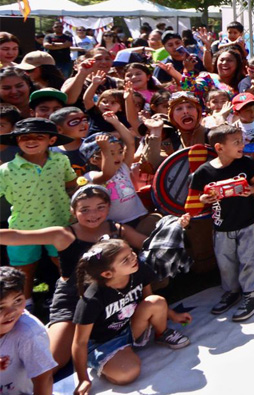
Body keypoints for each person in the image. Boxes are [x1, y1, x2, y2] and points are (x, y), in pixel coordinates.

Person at [0, 185, 152, 371]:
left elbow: (148, 244)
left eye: (100, 207)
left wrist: (173, 230)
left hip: (108, 300)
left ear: (109, 206)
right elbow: (17, 236)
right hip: (73, 300)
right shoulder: (64, 234)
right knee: (52, 362)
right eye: (85, 209)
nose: (93, 214)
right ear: (73, 211)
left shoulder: (117, 230)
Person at [71, 239, 191, 393]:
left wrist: (173, 315)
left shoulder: (138, 269)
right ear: (108, 273)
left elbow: (148, 298)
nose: (134, 257)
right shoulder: (92, 300)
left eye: (131, 252)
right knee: (127, 374)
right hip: (103, 344)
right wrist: (83, 379)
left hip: (128, 328)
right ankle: (114, 359)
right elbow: (79, 342)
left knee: (156, 302)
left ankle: (161, 333)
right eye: (125, 259)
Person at [185, 123, 254, 322]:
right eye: (236, 142)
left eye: (241, 140)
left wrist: (251, 191)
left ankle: (252, 294)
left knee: (249, 259)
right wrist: (205, 199)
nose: (242, 144)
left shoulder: (246, 164)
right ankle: (232, 291)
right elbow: (198, 198)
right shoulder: (204, 171)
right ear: (219, 148)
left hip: (247, 222)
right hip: (220, 225)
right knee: (225, 262)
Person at [0, 118, 78, 301]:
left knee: (64, 264)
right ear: (17, 141)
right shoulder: (6, 170)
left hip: (60, 223)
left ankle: (72, 300)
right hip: (22, 227)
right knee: (23, 269)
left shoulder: (61, 160)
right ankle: (25, 305)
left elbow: (71, 184)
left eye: (39, 136)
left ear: (51, 140)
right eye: (24, 137)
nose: (31, 140)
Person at [0, 267, 56, 395]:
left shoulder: (29, 333)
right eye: (1, 307)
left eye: (18, 300)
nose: (12, 312)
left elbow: (44, 378)